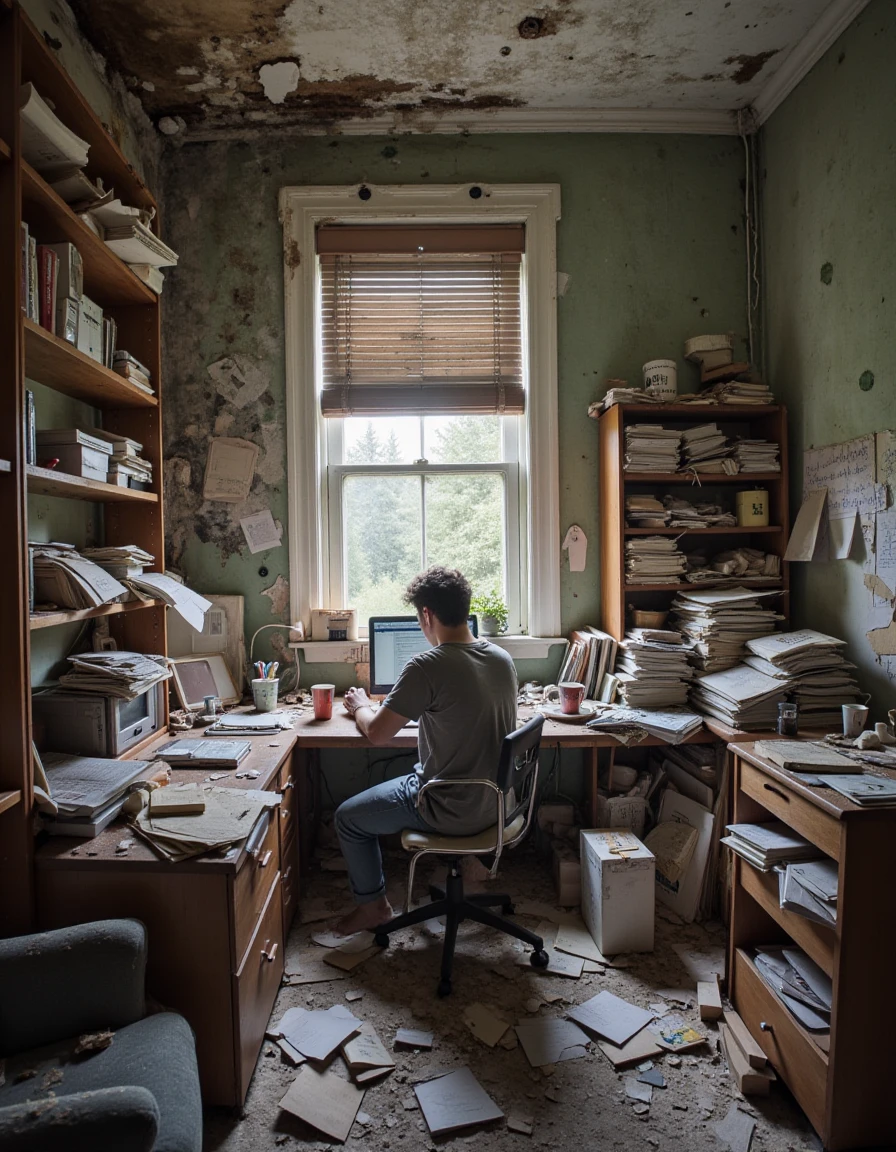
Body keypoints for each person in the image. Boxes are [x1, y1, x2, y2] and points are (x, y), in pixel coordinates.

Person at [332, 565, 518, 936]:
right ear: (466, 610)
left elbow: (378, 735)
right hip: (499, 805)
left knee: (347, 819)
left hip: (446, 807)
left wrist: (359, 705)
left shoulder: (426, 666)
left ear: (426, 615)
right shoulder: (502, 658)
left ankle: (373, 908)